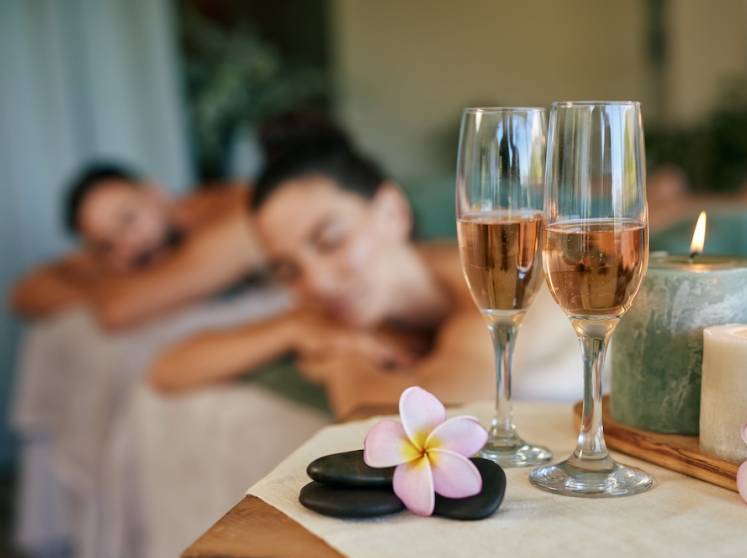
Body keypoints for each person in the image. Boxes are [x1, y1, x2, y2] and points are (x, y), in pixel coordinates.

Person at [149, 135, 565, 417]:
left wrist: (340, 362)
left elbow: (434, 418)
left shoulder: (501, 285)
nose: (316, 282)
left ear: (392, 212)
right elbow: (169, 368)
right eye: (287, 270)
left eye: (330, 241)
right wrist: (292, 329)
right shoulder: (343, 305)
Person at [8, 164, 262, 328]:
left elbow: (116, 310)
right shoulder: (143, 249)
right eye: (107, 245)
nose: (129, 245)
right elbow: (24, 293)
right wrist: (100, 277)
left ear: (156, 193)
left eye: (128, 219)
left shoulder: (227, 212)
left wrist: (114, 286)